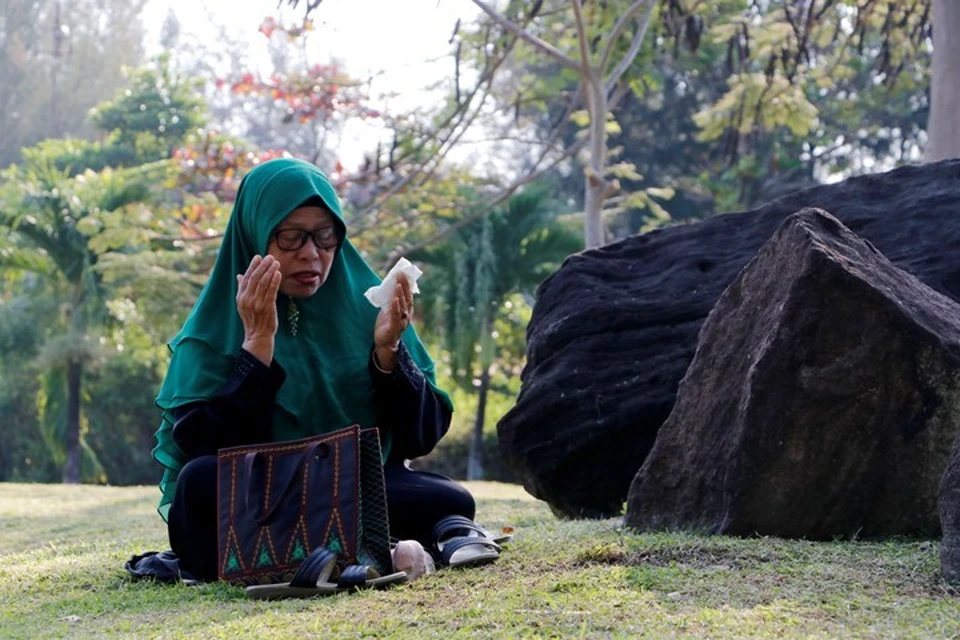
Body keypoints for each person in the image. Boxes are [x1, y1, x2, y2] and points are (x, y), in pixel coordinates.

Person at [150, 157, 500, 583]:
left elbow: (419, 437)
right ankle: (383, 548)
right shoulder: (213, 327)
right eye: (292, 237)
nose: (311, 254)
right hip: (264, 497)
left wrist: (389, 353)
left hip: (354, 488)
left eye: (325, 236)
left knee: (447, 496)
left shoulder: (366, 307)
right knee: (198, 485)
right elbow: (203, 448)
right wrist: (256, 348)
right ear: (256, 235)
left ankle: (318, 554)